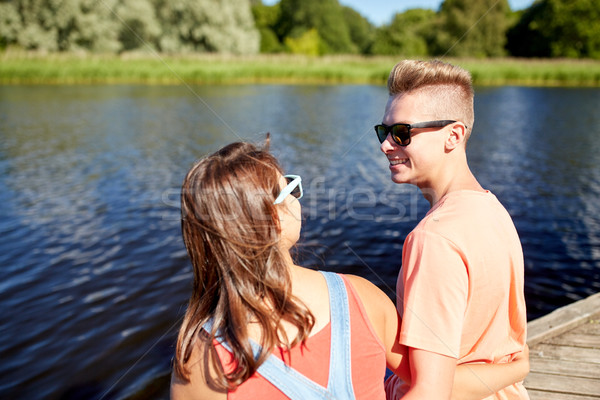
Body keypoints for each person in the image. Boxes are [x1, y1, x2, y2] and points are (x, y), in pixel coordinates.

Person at [170, 138, 528, 400]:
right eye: (288, 188)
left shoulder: (202, 355)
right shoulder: (361, 298)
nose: (297, 196)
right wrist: (512, 369)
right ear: (275, 218)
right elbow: (432, 384)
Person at [376, 60, 529, 399]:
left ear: (454, 136)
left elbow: (430, 393)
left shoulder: (434, 239)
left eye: (401, 132)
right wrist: (519, 368)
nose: (386, 145)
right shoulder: (493, 210)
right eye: (383, 131)